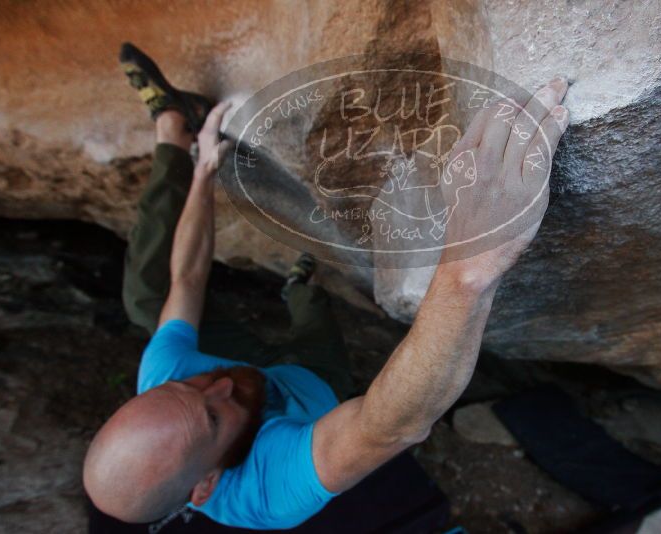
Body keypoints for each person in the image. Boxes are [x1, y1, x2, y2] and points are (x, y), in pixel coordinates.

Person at [83, 43, 570, 530]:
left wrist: (205, 168)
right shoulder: (266, 491)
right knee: (311, 318)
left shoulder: (167, 383)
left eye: (187, 385)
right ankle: (302, 289)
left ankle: (175, 129)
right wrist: (471, 265)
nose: (219, 385)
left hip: (263, 373)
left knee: (151, 301)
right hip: (314, 381)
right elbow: (389, 425)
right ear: (205, 485)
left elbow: (186, 276)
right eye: (212, 417)